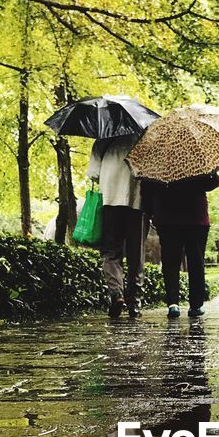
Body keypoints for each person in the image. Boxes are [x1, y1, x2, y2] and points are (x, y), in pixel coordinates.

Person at [141, 172, 219, 318]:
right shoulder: (197, 157)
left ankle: (173, 304)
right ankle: (196, 305)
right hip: (195, 215)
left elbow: (146, 187)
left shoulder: (158, 160)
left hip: (167, 216)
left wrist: (151, 211)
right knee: (196, 261)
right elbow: (213, 183)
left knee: (170, 261)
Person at [86, 134, 145, 318]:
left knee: (110, 251)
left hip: (110, 201)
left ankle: (116, 294)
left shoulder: (103, 140)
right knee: (136, 253)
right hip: (137, 202)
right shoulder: (144, 138)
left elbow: (93, 174)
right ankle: (134, 302)